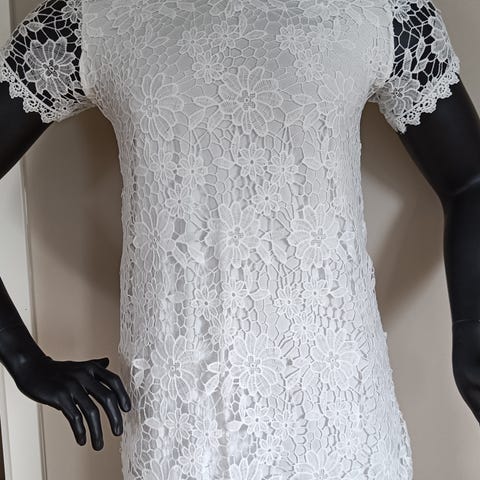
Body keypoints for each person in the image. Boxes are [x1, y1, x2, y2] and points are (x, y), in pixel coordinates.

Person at [0, 0, 479, 477]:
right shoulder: (92, 18)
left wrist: (472, 327)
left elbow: (469, 182)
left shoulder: (381, 11)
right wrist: (23, 358)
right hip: (183, 416)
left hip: (339, 408)